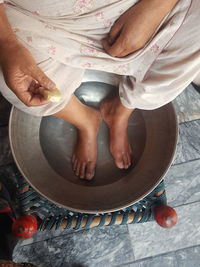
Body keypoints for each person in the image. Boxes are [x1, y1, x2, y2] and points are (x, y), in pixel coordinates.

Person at [0, 0, 199, 180]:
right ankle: (87, 120)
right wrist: (7, 43)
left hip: (147, 12)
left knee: (188, 54)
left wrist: (158, 5)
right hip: (32, 19)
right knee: (14, 81)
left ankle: (119, 111)